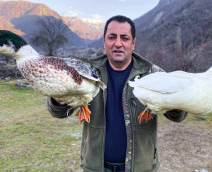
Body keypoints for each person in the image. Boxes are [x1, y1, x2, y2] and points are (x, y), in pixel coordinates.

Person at [47, 15, 188, 172]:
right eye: (112, 37)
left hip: (141, 168)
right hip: (95, 167)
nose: (118, 44)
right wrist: (59, 97)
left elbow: (178, 116)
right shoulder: (87, 73)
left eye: (125, 38)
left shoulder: (153, 74)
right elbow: (58, 112)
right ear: (104, 41)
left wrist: (177, 103)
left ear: (133, 43)